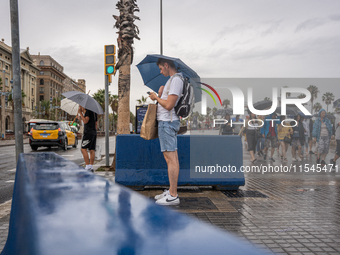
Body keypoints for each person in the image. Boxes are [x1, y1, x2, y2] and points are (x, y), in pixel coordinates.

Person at [149, 58, 183, 206]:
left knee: (171, 159)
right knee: (172, 157)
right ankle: (171, 191)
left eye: (161, 68)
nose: (160, 71)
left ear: (167, 65)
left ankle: (173, 195)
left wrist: (156, 97)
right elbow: (167, 102)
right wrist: (161, 94)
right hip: (167, 123)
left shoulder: (176, 80)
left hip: (167, 124)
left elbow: (169, 105)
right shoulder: (173, 80)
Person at [77, 105, 98, 172]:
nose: (80, 107)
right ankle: (91, 166)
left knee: (83, 149)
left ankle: (87, 166)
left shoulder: (88, 111)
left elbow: (86, 121)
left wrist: (80, 113)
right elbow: (96, 124)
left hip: (88, 133)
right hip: (93, 132)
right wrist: (81, 117)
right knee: (92, 150)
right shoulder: (94, 112)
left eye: (80, 106)